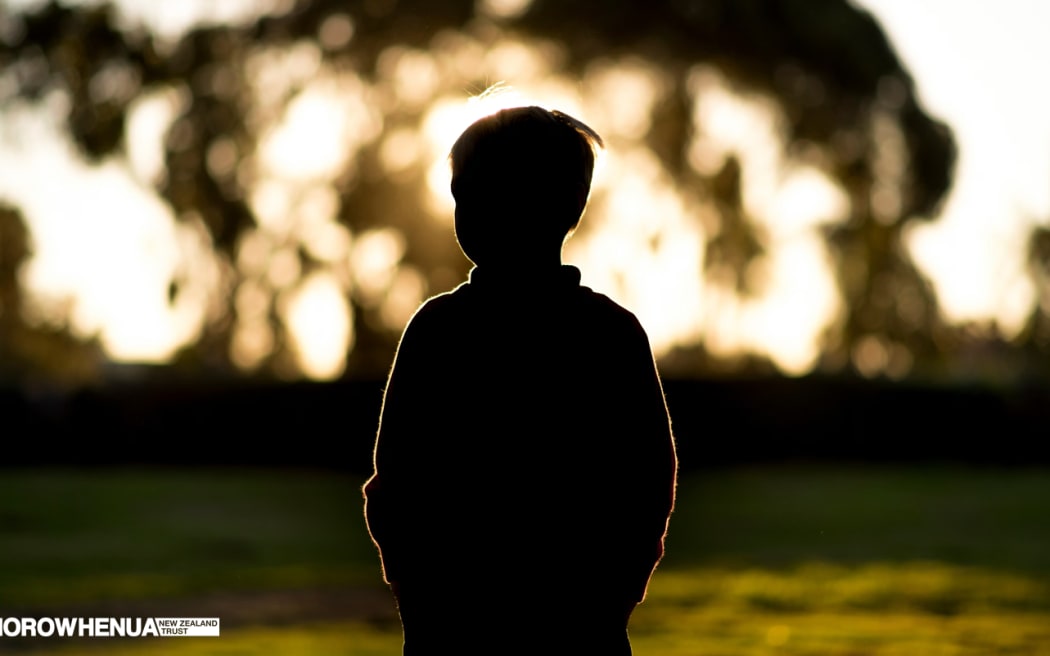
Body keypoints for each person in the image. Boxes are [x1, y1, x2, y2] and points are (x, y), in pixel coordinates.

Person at [363, 105, 677, 655]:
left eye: (486, 192)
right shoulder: (607, 334)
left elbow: (646, 481)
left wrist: (608, 600)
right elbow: (397, 484)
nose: (470, 210)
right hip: (516, 625)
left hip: (534, 625)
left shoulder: (444, 331)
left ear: (567, 208)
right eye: (461, 194)